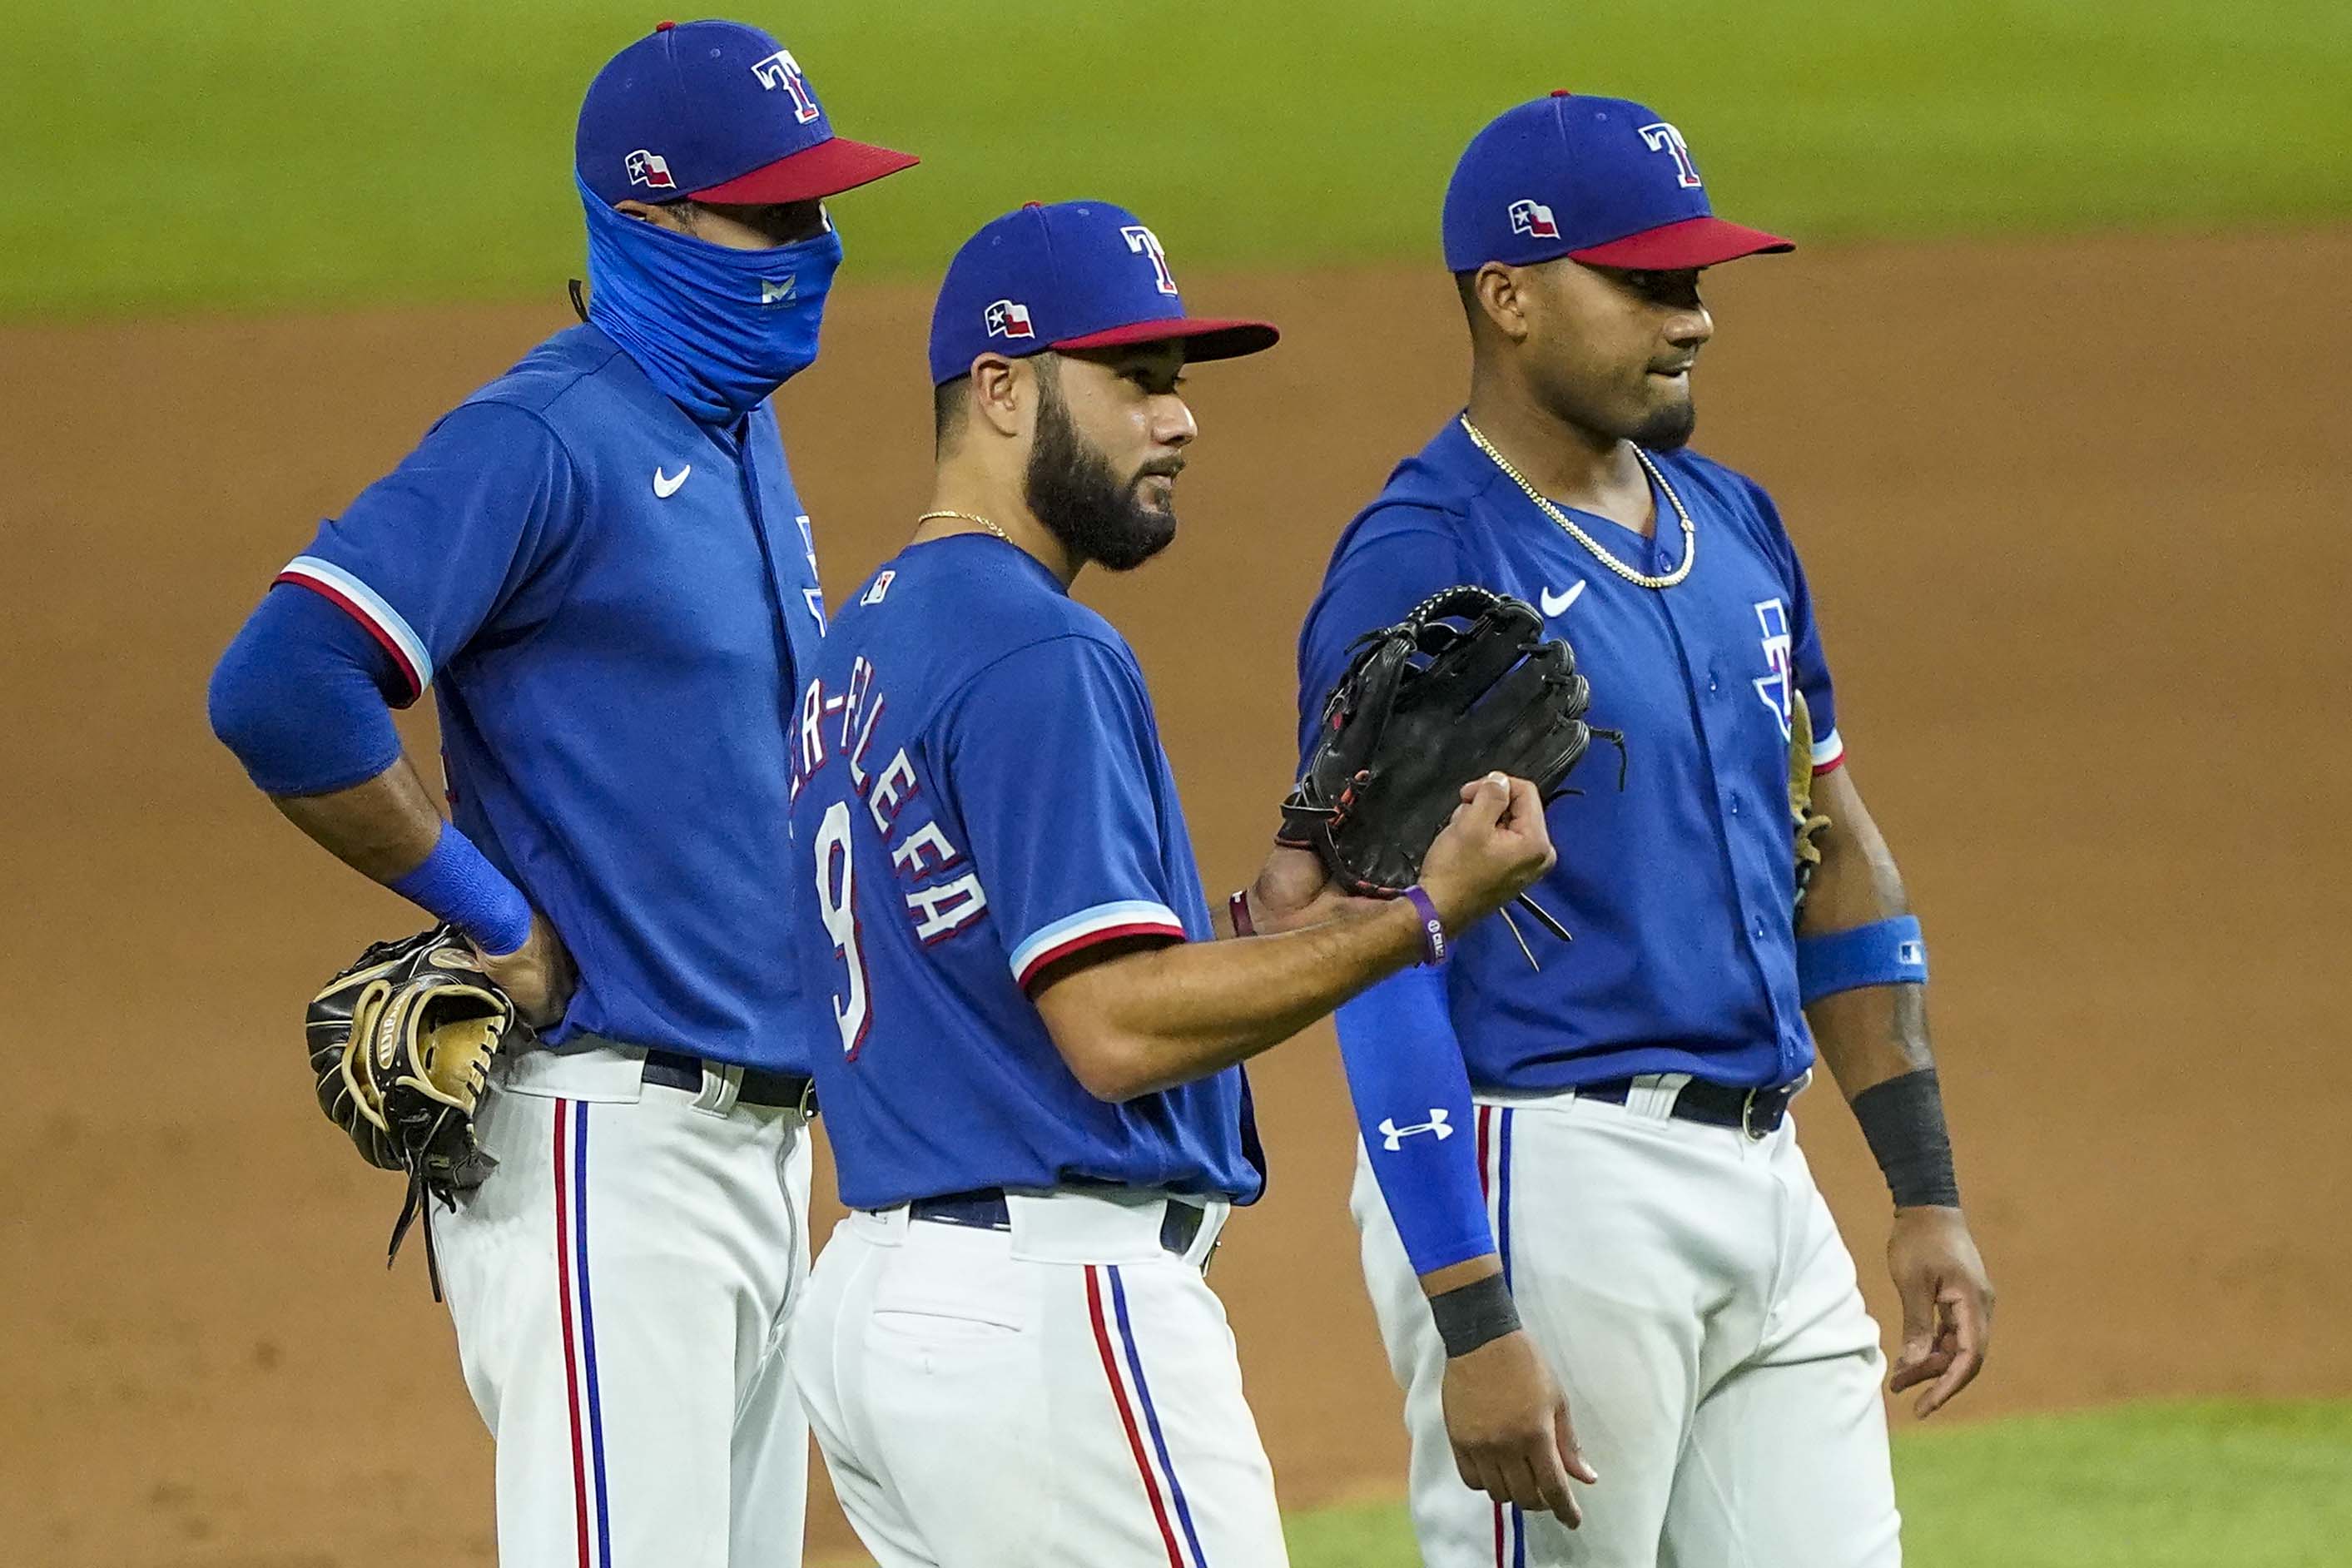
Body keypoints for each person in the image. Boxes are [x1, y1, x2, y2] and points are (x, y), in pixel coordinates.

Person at [205, 21, 915, 1566]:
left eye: (816, 210)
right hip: (611, 1156)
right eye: (768, 214)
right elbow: (279, 682)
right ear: (648, 215)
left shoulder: (733, 426)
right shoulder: (544, 436)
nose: (812, 246)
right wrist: (487, 909)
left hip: (763, 1159)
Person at [782, 198, 1556, 1567]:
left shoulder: (870, 637)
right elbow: (1115, 1029)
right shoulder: (1040, 652)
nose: (1179, 418)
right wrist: (1418, 916)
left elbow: (996, 978)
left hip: (890, 1308)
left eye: (1178, 384)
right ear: (1005, 388)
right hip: (1050, 1314)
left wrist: (1264, 934)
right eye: (1133, 381)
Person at [1298, 92, 1997, 1566]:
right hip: (1549, 1179)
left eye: (1696, 283)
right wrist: (1472, 1310)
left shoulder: (1735, 524)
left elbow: (1836, 847)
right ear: (1508, 297)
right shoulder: (1425, 561)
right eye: (1645, 284)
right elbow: (1367, 946)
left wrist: (1920, 1192)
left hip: (1769, 1174)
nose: (1691, 321)